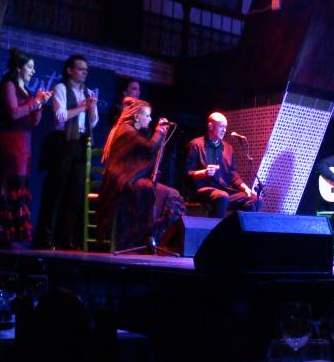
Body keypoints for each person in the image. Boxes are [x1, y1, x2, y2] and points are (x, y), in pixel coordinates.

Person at [97, 99, 184, 252]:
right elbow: (149, 148)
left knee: (168, 193)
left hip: (126, 180)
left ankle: (157, 239)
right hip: (121, 183)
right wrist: (159, 131)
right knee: (163, 193)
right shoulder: (126, 132)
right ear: (137, 116)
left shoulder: (129, 131)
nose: (150, 119)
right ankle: (148, 238)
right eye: (147, 116)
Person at [36, 54, 99, 249]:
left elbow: (93, 122)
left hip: (80, 142)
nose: (85, 72)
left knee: (75, 193)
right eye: (81, 69)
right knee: (55, 191)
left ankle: (66, 239)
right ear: (70, 70)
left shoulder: (87, 92)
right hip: (63, 141)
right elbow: (59, 116)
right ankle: (45, 239)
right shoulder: (61, 88)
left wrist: (92, 108)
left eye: (86, 70)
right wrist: (82, 107)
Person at [0, 49, 52, 247]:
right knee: (9, 186)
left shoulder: (27, 91)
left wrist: (39, 105)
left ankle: (11, 236)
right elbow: (13, 113)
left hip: (24, 144)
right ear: (19, 67)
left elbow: (33, 121)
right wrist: (34, 102)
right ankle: (3, 236)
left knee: (19, 186)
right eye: (30, 67)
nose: (33, 71)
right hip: (11, 141)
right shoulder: (9, 84)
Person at [184, 112, 258, 218]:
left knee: (254, 199)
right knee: (222, 197)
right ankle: (218, 228)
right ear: (210, 126)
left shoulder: (228, 148)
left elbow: (232, 174)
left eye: (225, 127)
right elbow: (186, 174)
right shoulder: (195, 145)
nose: (224, 130)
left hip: (224, 190)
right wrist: (204, 172)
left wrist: (245, 188)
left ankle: (242, 228)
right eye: (221, 126)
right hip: (202, 190)